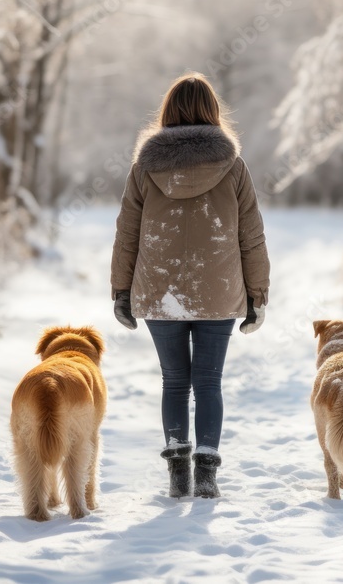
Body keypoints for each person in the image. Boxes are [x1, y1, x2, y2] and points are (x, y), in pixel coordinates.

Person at [110, 72, 270, 499]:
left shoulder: (145, 167)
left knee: (174, 381)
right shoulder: (233, 166)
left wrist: (121, 290)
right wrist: (258, 295)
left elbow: (127, 232)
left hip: (160, 291)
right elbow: (251, 235)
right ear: (212, 112)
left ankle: (178, 474)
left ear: (168, 111)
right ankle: (207, 474)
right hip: (218, 288)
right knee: (209, 382)